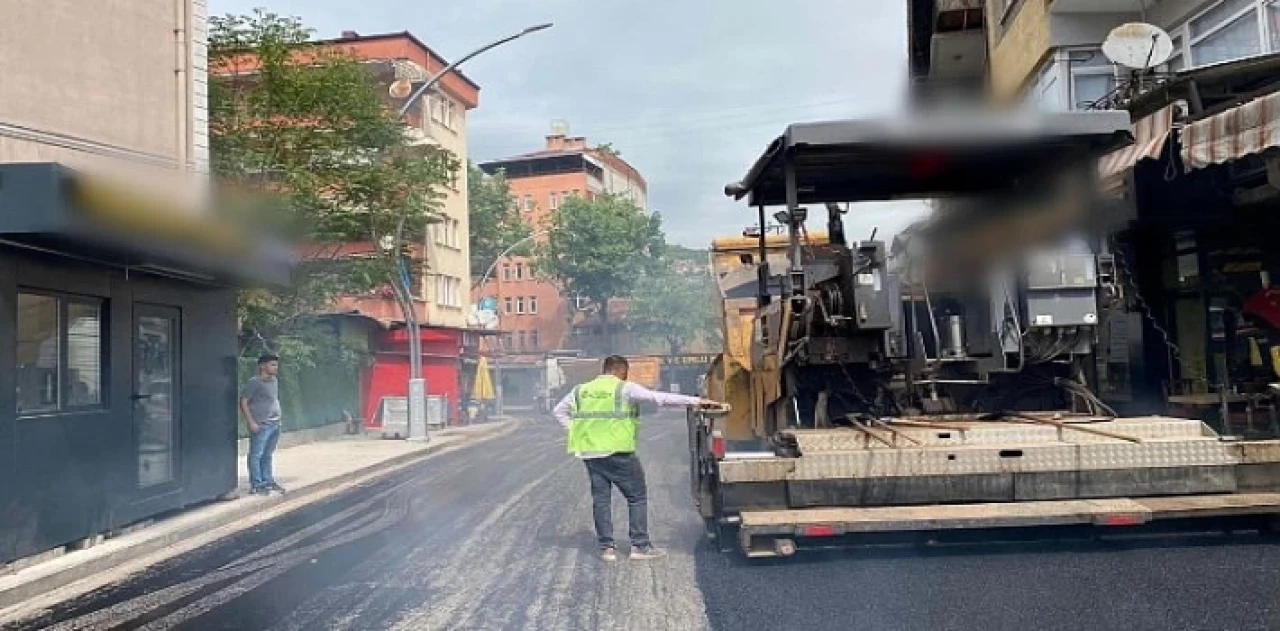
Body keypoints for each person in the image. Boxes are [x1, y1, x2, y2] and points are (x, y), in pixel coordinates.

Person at [553, 355, 719, 561]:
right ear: (621, 370)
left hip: (590, 453)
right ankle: (639, 546)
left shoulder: (580, 390)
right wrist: (698, 401)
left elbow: (558, 411)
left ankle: (607, 549)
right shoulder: (624, 388)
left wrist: (576, 432)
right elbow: (660, 398)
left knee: (601, 500)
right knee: (637, 497)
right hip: (618, 452)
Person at [241, 354, 285, 496]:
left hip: (275, 424)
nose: (276, 368)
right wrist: (251, 422)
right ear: (262, 366)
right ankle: (256, 484)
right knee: (256, 455)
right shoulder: (254, 382)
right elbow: (244, 402)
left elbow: (272, 400)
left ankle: (268, 480)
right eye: (272, 365)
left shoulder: (274, 381)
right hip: (261, 425)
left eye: (276, 365)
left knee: (267, 454)